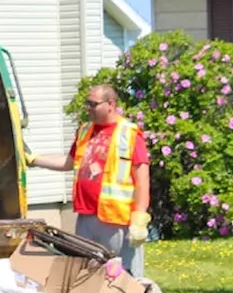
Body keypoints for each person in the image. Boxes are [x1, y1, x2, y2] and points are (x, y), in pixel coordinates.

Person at [28, 84, 151, 276]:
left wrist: (140, 217)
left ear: (110, 104)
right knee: (88, 271)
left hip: (116, 218)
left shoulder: (128, 133)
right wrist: (36, 160)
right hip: (86, 215)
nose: (88, 108)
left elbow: (142, 178)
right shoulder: (85, 131)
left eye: (93, 104)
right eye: (88, 103)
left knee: (121, 273)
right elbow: (69, 162)